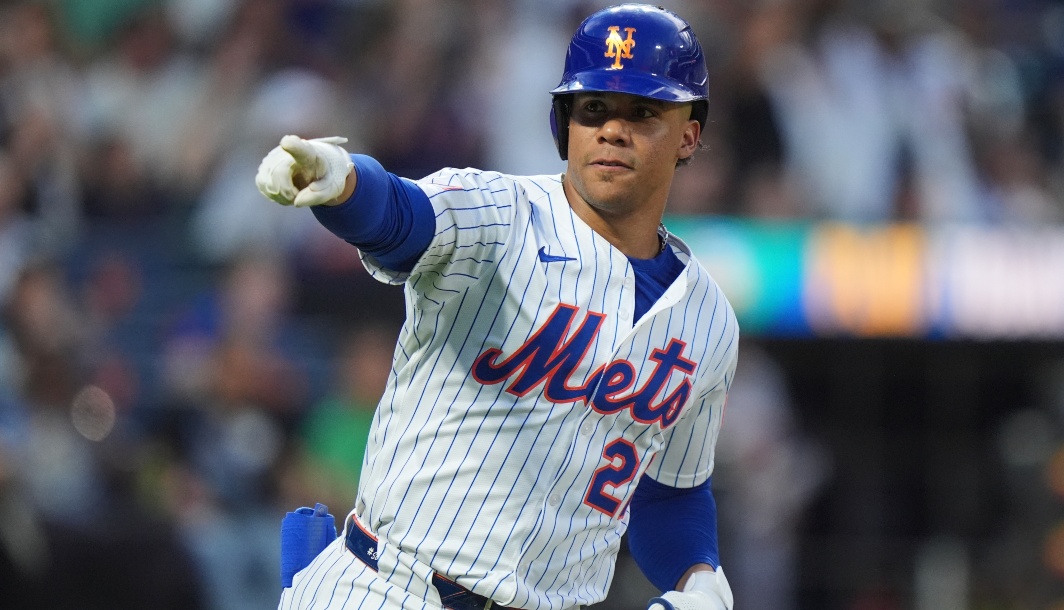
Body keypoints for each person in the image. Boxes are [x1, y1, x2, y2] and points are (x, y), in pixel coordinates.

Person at [255, 5, 739, 610]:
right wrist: (344, 181)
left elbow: (670, 492)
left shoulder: (709, 321)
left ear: (689, 133)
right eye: (594, 109)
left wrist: (697, 575)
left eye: (642, 111)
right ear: (564, 124)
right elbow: (403, 219)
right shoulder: (501, 212)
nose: (613, 129)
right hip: (392, 588)